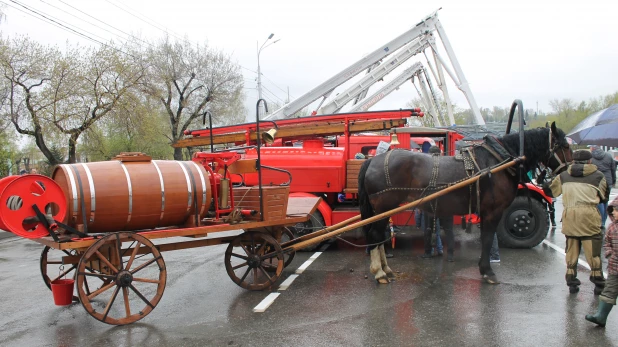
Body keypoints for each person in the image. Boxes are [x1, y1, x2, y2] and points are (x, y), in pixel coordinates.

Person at [543, 149, 607, 294]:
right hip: (589, 216)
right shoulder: (598, 176)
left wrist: (546, 182)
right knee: (593, 251)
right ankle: (598, 283)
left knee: (571, 249)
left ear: (573, 161)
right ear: (590, 161)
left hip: (570, 215)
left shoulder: (563, 176)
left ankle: (572, 282)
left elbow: (552, 192)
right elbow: (604, 195)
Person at [586, 197, 618, 327]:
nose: (614, 213)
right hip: (614, 267)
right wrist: (609, 253)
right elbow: (607, 244)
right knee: (608, 291)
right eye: (613, 210)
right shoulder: (611, 227)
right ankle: (601, 316)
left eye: (616, 210)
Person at [420, 146, 456, 262]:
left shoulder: (426, 168)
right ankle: (450, 255)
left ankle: (428, 252)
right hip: (447, 203)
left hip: (431, 203)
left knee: (428, 228)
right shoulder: (448, 167)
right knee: (448, 229)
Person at [591, 145, 616, 229]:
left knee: (599, 201)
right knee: (606, 201)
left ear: (592, 149)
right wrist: (613, 180)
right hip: (608, 180)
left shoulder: (591, 157)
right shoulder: (608, 156)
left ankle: (601, 221)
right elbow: (613, 169)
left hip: (597, 181)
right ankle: (604, 220)